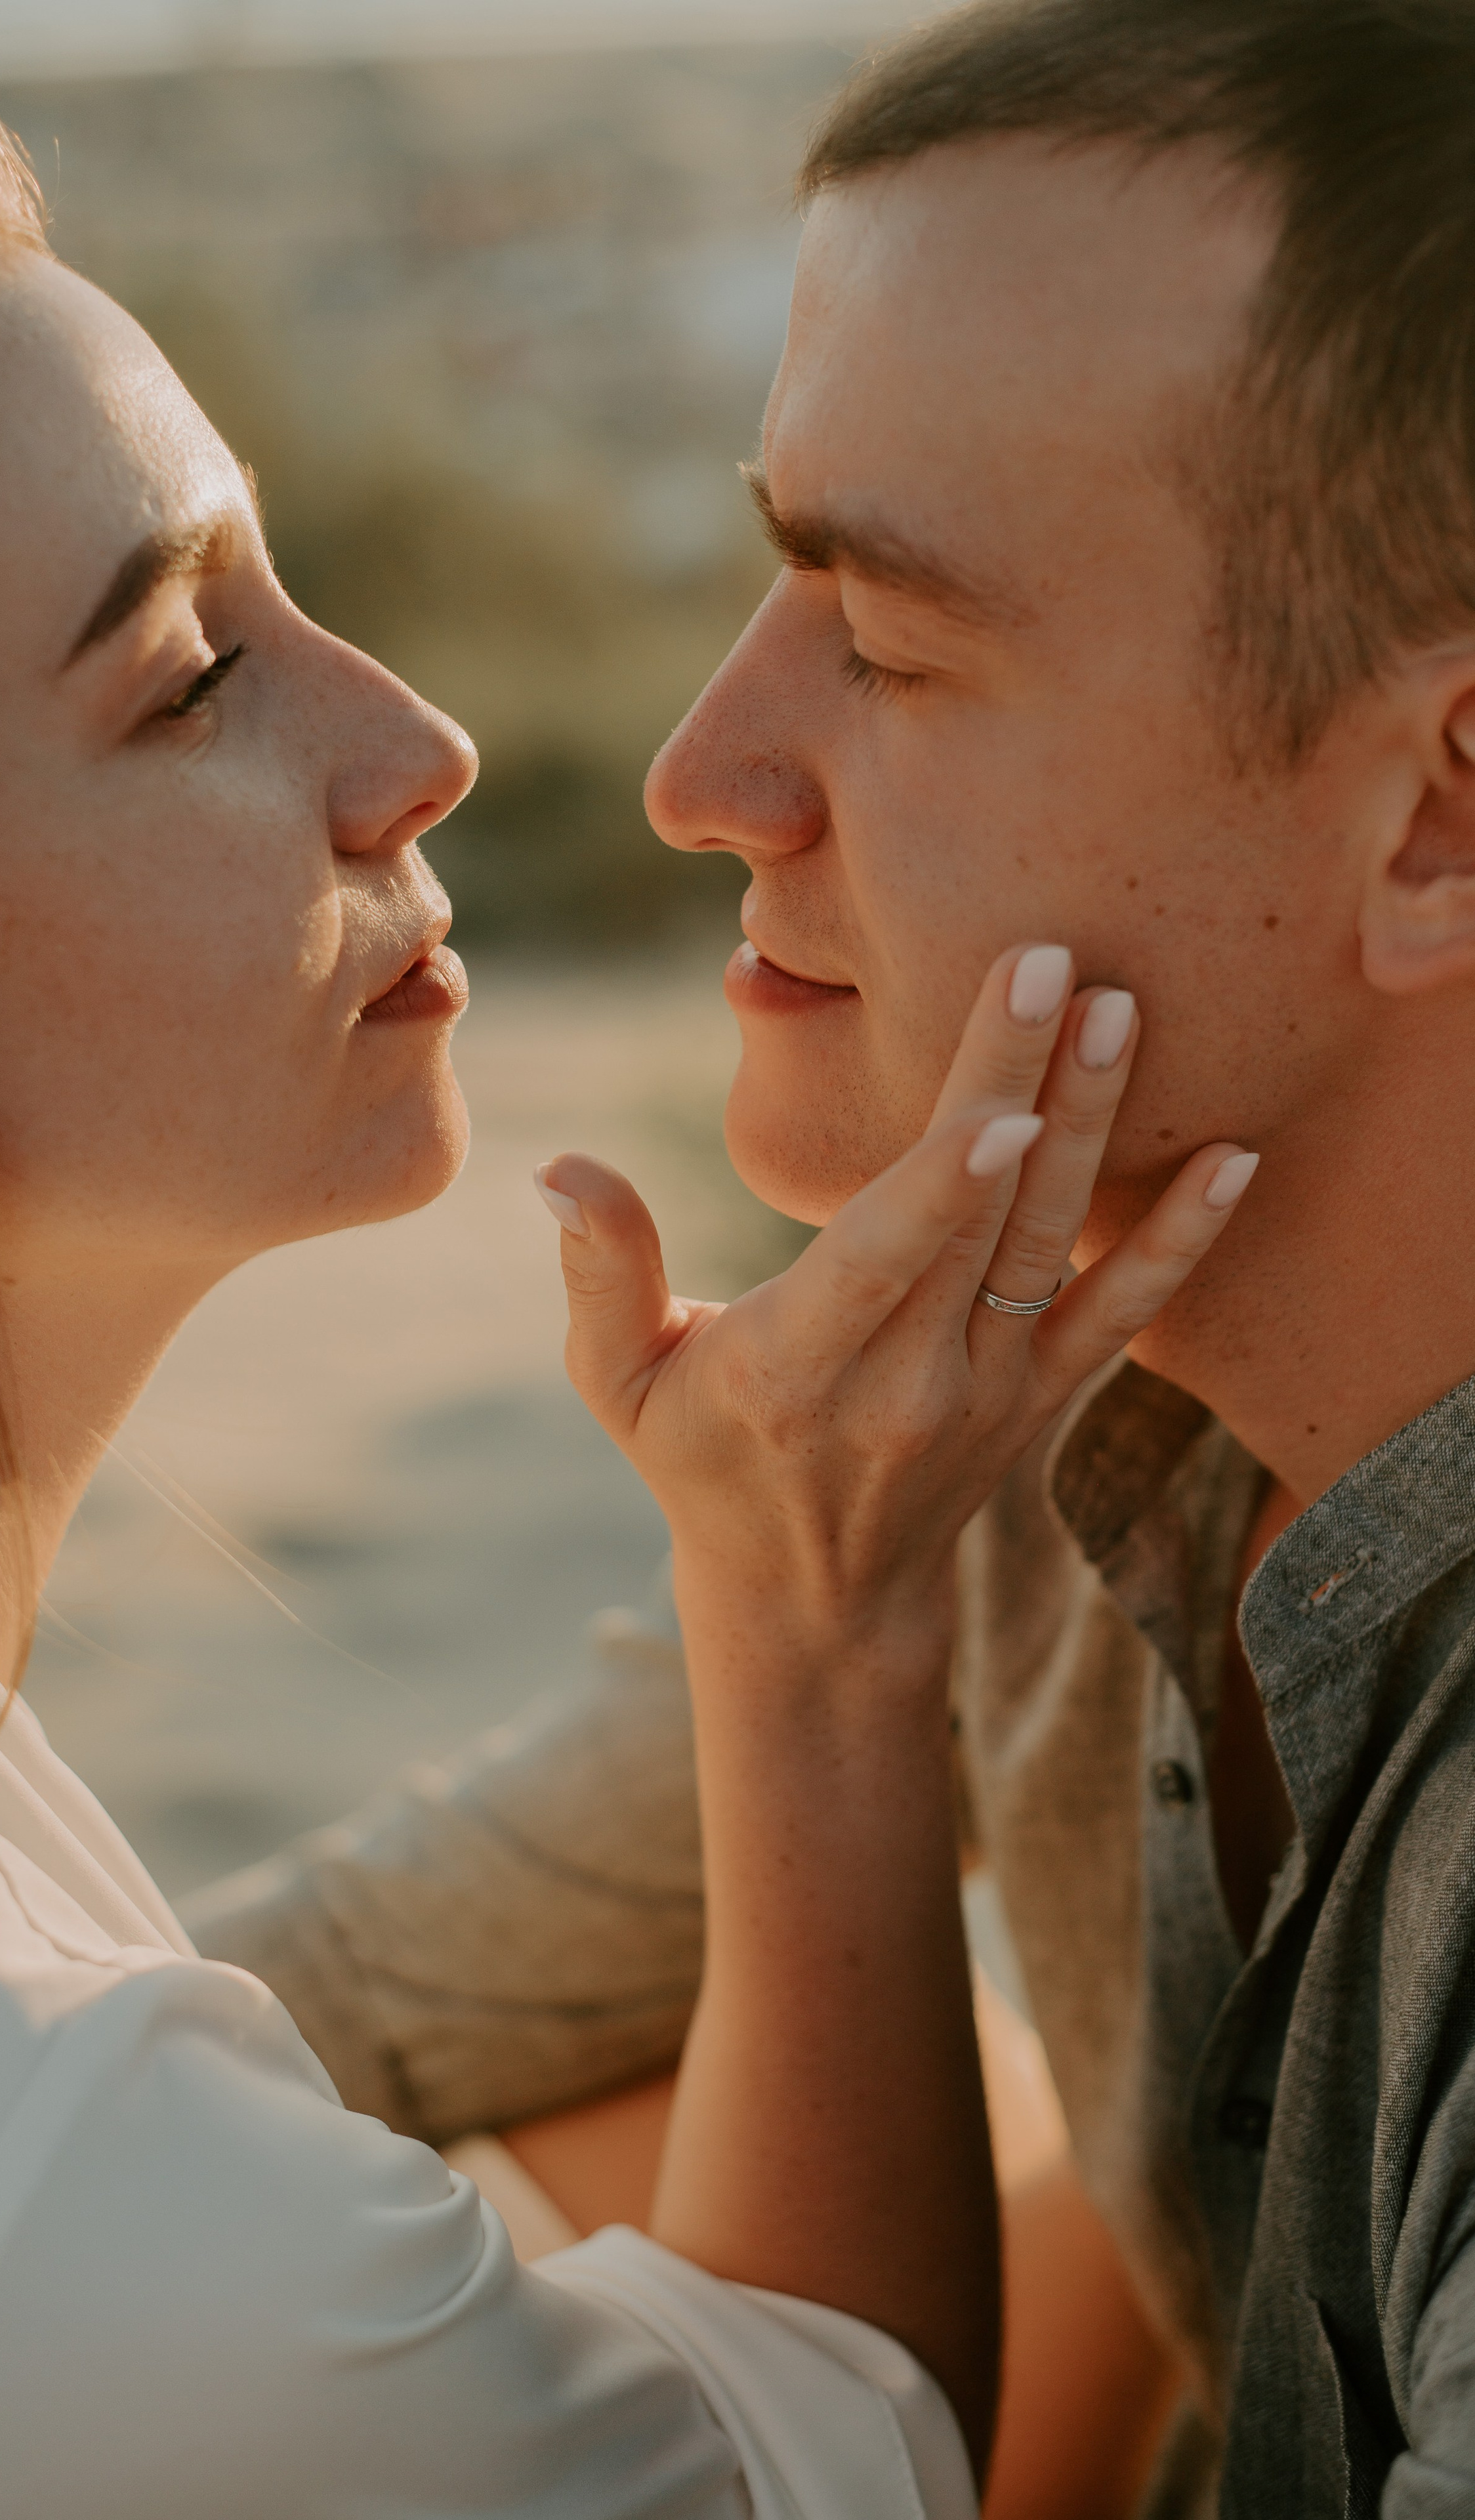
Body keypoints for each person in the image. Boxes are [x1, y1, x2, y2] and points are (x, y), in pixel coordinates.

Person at [0, 30, 1261, 2520]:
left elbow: (379, 1985)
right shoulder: (64, 2208)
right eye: (189, 679)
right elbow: (844, 2465)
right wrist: (813, 1624)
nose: (427, 741)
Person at [189, 3, 1475, 2515]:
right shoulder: (1020, 1402)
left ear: (1439, 813)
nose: (696, 777)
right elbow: (311, 2000)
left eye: (886, 647)